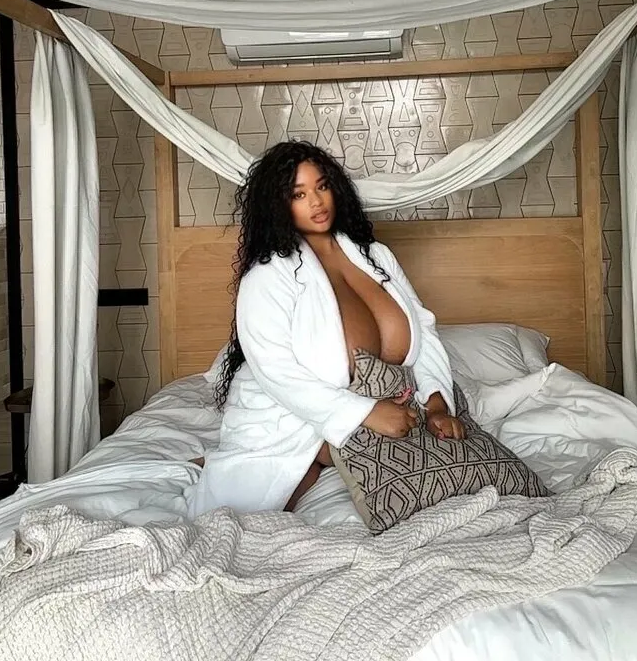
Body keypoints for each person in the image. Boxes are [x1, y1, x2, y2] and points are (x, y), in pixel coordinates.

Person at [186, 140, 464, 518]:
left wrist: (436, 405)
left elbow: (424, 331)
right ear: (278, 204)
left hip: (387, 406)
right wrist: (365, 413)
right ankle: (237, 462)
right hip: (286, 416)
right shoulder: (269, 274)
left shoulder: (377, 257)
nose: (316, 202)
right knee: (248, 514)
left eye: (322, 186)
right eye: (298, 194)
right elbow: (274, 368)